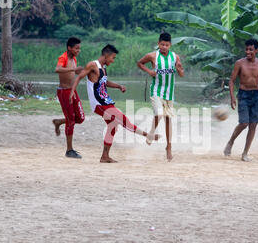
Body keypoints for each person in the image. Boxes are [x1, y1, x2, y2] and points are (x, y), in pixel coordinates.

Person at [70, 44, 161, 163]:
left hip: (106, 101)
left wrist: (118, 86)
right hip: (99, 104)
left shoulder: (103, 68)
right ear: (106, 55)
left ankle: (105, 156)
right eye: (113, 58)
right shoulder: (93, 65)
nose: (113, 61)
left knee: (112, 126)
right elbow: (79, 77)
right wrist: (72, 92)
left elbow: (105, 82)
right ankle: (148, 136)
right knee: (124, 121)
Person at [137, 32, 184, 161]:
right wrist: (149, 71)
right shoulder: (152, 56)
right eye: (162, 44)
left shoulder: (175, 57)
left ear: (170, 45)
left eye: (167, 45)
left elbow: (181, 74)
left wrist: (180, 69)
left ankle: (168, 147)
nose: (164, 47)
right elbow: (140, 63)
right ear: (158, 43)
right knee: (159, 113)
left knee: (168, 119)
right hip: (156, 91)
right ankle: (151, 133)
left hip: (169, 93)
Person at [53, 37, 85, 159]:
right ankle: (69, 150)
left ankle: (59, 121)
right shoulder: (64, 57)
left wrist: (82, 72)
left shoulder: (74, 58)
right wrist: (73, 69)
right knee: (71, 120)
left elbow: (72, 73)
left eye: (79, 48)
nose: (78, 50)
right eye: (76, 48)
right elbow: (58, 69)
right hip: (64, 92)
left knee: (80, 118)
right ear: (69, 48)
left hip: (72, 91)